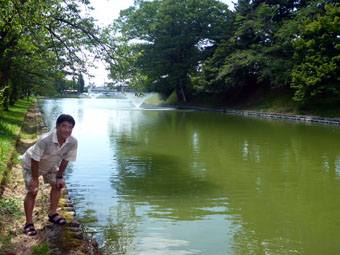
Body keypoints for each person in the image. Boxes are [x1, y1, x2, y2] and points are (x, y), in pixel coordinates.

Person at [20, 114, 78, 236]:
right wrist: (35, 180)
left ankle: (52, 214)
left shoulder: (72, 142)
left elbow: (65, 160)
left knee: (58, 185)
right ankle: (28, 223)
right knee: (33, 190)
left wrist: (59, 176)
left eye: (70, 127)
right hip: (31, 164)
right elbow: (35, 161)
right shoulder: (45, 140)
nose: (67, 130)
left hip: (49, 165)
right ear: (57, 126)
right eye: (64, 126)